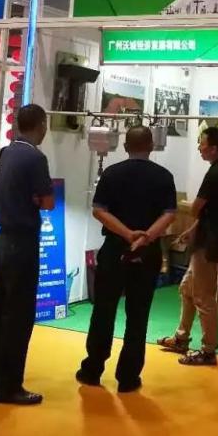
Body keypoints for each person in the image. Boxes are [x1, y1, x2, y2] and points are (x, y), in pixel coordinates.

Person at [77, 125, 176, 392]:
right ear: (151, 147)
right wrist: (146, 237)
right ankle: (128, 377)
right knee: (138, 314)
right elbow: (169, 214)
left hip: (115, 249)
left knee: (103, 310)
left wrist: (127, 234)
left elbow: (99, 211)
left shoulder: (112, 173)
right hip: (148, 251)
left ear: (125, 147)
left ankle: (93, 369)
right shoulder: (163, 176)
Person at [0, 105, 53, 405]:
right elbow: (48, 202)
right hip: (23, 241)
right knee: (19, 315)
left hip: (2, 238)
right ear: (41, 125)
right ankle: (10, 386)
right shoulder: (36, 158)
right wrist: (35, 198)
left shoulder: (7, 152)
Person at [158, 126, 218, 367]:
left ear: (214, 148)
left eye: (202, 143)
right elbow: (211, 212)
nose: (199, 147)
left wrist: (175, 205)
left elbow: (196, 209)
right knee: (187, 288)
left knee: (204, 297)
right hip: (207, 239)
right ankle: (181, 337)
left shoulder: (216, 173)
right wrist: (191, 231)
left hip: (209, 245)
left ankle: (208, 350)